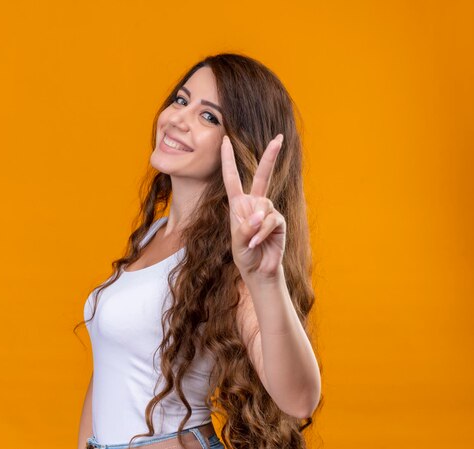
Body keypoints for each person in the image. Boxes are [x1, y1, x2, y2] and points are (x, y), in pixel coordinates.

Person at [74, 52, 323, 449]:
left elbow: (299, 398)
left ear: (241, 144)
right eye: (180, 100)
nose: (178, 119)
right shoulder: (151, 236)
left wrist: (265, 279)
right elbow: (109, 374)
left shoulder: (232, 259)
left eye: (208, 117)